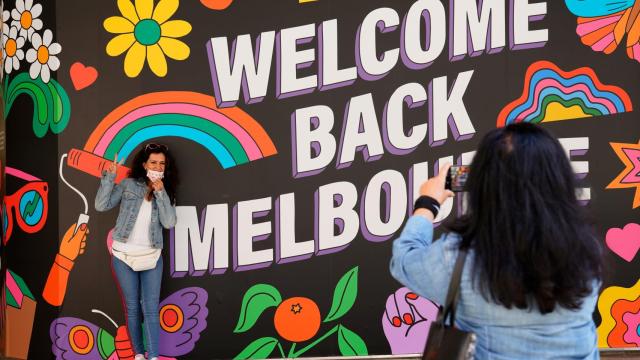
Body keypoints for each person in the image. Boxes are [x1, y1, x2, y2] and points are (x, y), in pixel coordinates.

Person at [390, 123, 603, 359]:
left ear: (482, 184)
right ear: (558, 179)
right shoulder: (586, 253)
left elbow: (404, 260)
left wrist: (428, 202)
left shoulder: (457, 256)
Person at [95, 143, 178, 360]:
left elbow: (169, 223)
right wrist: (109, 177)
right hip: (123, 255)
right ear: (144, 164)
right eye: (153, 162)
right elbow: (101, 205)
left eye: (161, 164)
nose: (157, 167)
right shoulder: (129, 184)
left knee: (150, 309)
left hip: (151, 256)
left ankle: (153, 357)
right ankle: (138, 355)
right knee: (132, 308)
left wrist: (160, 193)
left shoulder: (166, 192)